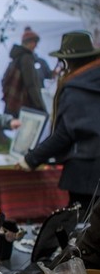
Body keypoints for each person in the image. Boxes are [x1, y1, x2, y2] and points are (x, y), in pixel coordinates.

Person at [18, 31, 100, 216]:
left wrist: (31, 159)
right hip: (90, 169)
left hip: (86, 173)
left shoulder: (76, 88)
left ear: (68, 61)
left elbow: (65, 134)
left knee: (84, 231)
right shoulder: (91, 82)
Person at [3, 26, 49, 115]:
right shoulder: (26, 58)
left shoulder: (17, 56)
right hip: (25, 102)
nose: (36, 46)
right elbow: (31, 84)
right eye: (35, 42)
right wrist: (40, 105)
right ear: (30, 43)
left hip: (16, 101)